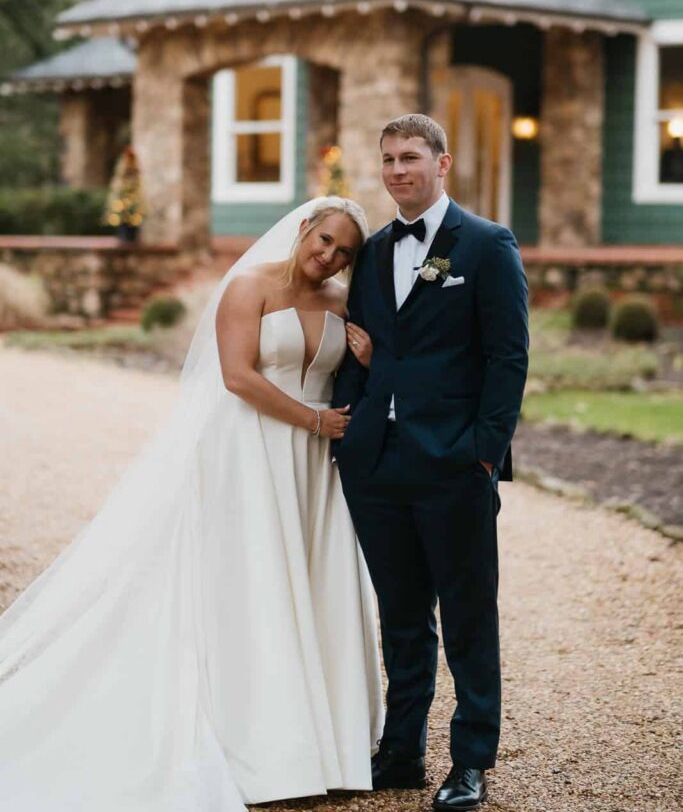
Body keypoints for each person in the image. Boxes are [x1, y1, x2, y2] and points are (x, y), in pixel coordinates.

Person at [0, 196, 383, 812]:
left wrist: (367, 361)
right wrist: (314, 420)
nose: (330, 256)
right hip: (250, 447)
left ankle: (323, 741)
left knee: (310, 581)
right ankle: (262, 741)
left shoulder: (342, 302)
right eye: (325, 241)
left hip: (314, 465)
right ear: (304, 228)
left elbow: (348, 376)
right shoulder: (248, 286)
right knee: (252, 579)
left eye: (344, 252)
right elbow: (237, 376)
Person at [332, 114, 529, 812]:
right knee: (401, 614)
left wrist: (482, 453)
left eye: (409, 157)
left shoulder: (484, 245)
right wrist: (348, 438)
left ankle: (470, 760)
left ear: (442, 164)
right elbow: (361, 348)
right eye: (386, 159)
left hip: (454, 466)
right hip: (376, 466)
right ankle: (402, 750)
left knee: (469, 615)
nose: (396, 171)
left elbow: (508, 357)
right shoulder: (373, 249)